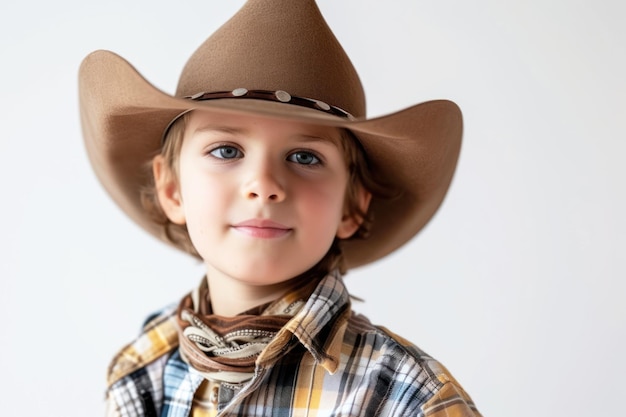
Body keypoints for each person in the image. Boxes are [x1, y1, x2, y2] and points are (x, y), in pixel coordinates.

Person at [79, 1, 481, 416]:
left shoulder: (406, 396)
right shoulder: (142, 373)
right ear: (172, 188)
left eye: (305, 157)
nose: (264, 186)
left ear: (351, 207)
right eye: (226, 150)